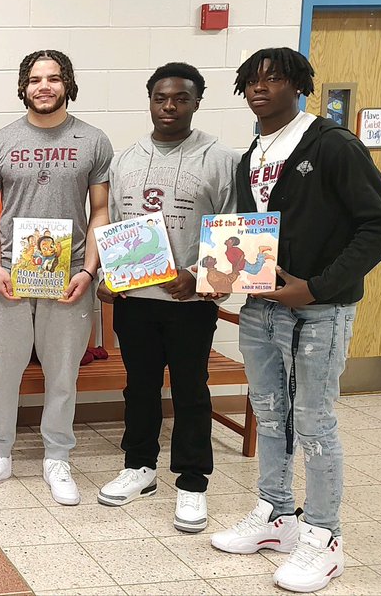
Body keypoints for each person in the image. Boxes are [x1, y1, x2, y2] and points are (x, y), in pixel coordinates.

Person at [209, 48, 381, 593]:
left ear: (300, 84)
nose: (261, 88)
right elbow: (246, 233)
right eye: (252, 81)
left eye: (275, 78)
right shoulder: (252, 155)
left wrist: (316, 287)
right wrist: (216, 273)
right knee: (269, 410)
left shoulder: (332, 145)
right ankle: (276, 516)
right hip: (261, 307)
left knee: (314, 421)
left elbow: (377, 225)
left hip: (319, 310)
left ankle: (325, 537)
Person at [95, 62, 238, 533]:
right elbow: (114, 224)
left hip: (189, 305)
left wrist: (197, 276)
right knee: (138, 386)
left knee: (191, 389)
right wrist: (110, 274)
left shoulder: (220, 158)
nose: (170, 106)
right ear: (150, 100)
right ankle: (140, 467)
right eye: (161, 98)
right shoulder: (127, 158)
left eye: (180, 98)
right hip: (136, 302)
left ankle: (193, 482)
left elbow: (234, 231)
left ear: (197, 102)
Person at [0, 50, 112, 506]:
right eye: (34, 79)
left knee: (63, 372)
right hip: (11, 273)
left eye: (52, 78)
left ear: (67, 83)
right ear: (23, 87)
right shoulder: (1, 141)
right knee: (1, 372)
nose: (43, 87)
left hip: (68, 276)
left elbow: (101, 210)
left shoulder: (93, 140)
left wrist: (89, 269)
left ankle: (57, 457)